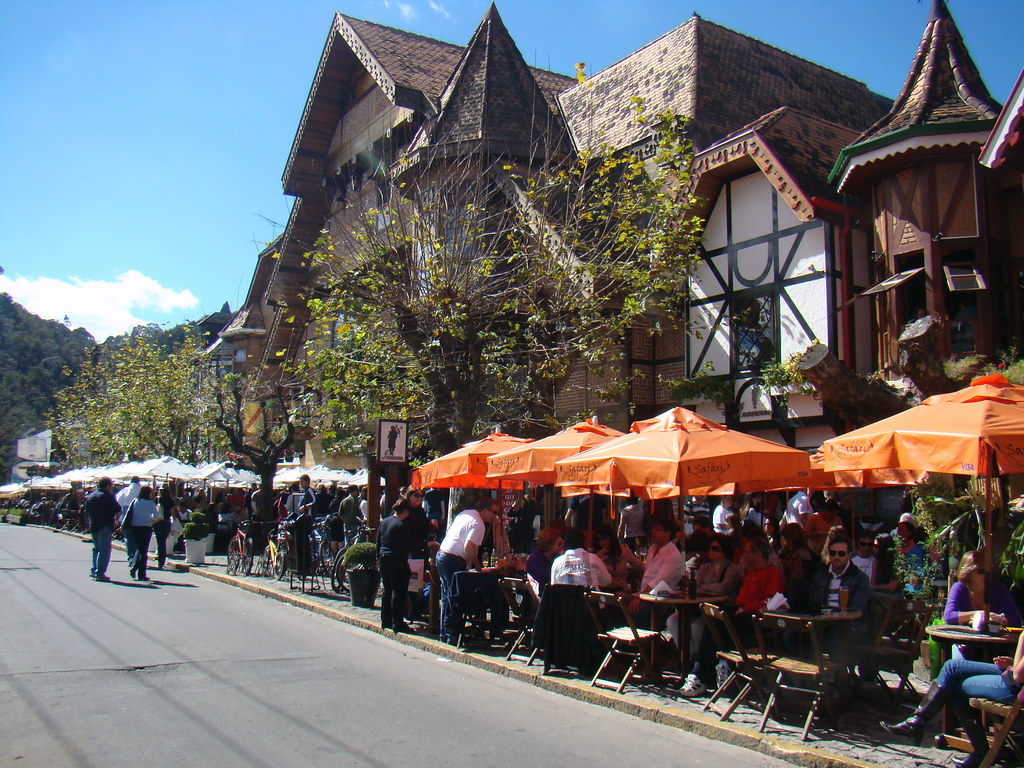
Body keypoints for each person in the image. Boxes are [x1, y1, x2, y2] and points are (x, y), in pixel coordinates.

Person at [883, 629, 1024, 768]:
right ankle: (916, 721)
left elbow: (1019, 676)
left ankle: (980, 750)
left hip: (1014, 688)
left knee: (956, 688)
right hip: (1013, 677)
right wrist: (1012, 663)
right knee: (952, 667)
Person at [435, 495, 500, 645]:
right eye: (494, 513)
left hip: (443, 555)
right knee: (454, 598)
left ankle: (445, 634)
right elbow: (469, 547)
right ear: (485, 510)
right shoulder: (478, 523)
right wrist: (478, 568)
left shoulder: (466, 514)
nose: (494, 516)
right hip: (453, 559)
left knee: (447, 596)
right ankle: (451, 635)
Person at [809, 532, 871, 648]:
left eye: (841, 554)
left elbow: (857, 608)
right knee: (794, 635)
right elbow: (814, 604)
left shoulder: (860, 578)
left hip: (850, 625)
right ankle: (801, 665)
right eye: (833, 553)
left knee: (834, 637)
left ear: (849, 555)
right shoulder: (820, 575)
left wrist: (832, 615)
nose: (836, 557)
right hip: (822, 622)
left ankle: (836, 666)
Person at [944, 551, 1021, 641]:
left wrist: (998, 620)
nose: (986, 574)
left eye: (988, 570)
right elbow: (949, 617)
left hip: (995, 644)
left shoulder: (998, 588)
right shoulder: (959, 588)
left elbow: (1016, 619)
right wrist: (979, 614)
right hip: (965, 643)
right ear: (968, 572)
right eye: (980, 571)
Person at [377, 495, 413, 633]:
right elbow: (408, 545)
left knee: (387, 590)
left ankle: (385, 620)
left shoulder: (384, 522)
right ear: (406, 512)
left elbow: (378, 542)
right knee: (398, 592)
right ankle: (397, 623)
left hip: (383, 558)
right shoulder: (401, 525)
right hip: (397, 561)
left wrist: (377, 557)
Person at [86, 477, 120, 581]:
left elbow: (86, 511)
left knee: (96, 549)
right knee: (104, 551)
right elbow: (118, 510)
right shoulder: (108, 496)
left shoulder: (90, 496)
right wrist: (116, 520)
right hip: (105, 525)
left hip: (93, 525)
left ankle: (94, 570)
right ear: (107, 486)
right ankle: (100, 573)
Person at [126, 485, 159, 581]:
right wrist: (149, 519)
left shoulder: (135, 501)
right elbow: (156, 516)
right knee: (143, 551)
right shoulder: (150, 503)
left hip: (134, 527)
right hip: (146, 527)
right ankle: (140, 572)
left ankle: (135, 567)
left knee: (138, 549)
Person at [593, 523, 642, 588]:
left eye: (604, 538)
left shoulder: (623, 550)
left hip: (621, 589)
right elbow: (590, 575)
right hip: (602, 590)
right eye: (599, 539)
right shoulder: (596, 554)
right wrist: (597, 558)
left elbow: (639, 566)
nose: (601, 542)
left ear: (611, 538)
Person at [526, 527, 563, 597]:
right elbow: (551, 578)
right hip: (540, 600)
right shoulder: (536, 559)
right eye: (559, 544)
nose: (562, 547)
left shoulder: (552, 558)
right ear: (549, 545)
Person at [116, 476, 142, 569]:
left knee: (128, 538)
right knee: (137, 539)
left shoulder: (125, 490)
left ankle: (131, 557)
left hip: (125, 517)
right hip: (138, 517)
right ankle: (135, 558)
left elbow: (118, 500)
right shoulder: (140, 490)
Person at [153, 487, 175, 570]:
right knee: (163, 541)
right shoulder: (170, 501)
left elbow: (154, 510)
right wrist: (175, 519)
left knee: (159, 541)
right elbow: (172, 512)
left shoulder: (157, 499)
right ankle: (162, 560)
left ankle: (160, 560)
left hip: (158, 522)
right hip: (166, 522)